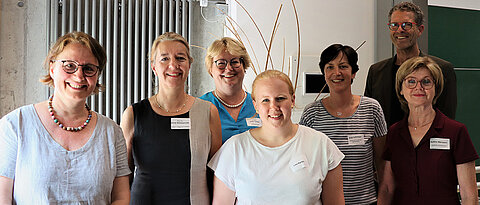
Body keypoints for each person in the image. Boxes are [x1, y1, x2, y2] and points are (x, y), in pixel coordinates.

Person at [0, 31, 131, 204]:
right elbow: (3, 196)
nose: (79, 75)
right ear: (52, 68)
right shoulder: (15, 124)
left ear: (97, 76)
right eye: (69, 65)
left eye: (89, 69)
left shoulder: (112, 132)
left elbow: (121, 197)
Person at [208, 70, 345, 205]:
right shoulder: (234, 149)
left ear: (292, 100)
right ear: (255, 105)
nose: (274, 107)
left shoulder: (320, 144)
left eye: (280, 98)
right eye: (265, 100)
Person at [120, 32, 222, 204]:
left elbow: (217, 175)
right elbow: (122, 176)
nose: (173, 65)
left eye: (180, 58)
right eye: (164, 59)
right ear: (154, 67)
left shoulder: (208, 112)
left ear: (189, 65)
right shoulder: (133, 114)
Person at [378, 56, 478, 204]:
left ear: (436, 88)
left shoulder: (455, 132)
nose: (419, 87)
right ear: (401, 89)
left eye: (426, 81)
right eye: (411, 81)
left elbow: (469, 195)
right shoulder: (394, 133)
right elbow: (387, 188)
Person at [300, 44, 388, 205]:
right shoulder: (312, 113)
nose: (337, 73)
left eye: (343, 66)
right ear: (324, 73)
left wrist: (383, 200)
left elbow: (383, 163)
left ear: (353, 72)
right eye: (330, 67)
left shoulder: (372, 109)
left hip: (365, 201)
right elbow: (306, 166)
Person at [364, 2, 457, 128]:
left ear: (420, 30)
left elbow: (447, 119)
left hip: (427, 144)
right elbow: (369, 117)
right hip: (387, 145)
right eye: (394, 25)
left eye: (407, 25)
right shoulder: (376, 72)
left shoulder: (442, 69)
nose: (399, 30)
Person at [200, 37, 260, 143]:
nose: (228, 68)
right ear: (210, 69)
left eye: (235, 62)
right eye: (221, 63)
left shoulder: (260, 104)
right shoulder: (201, 107)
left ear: (244, 66)